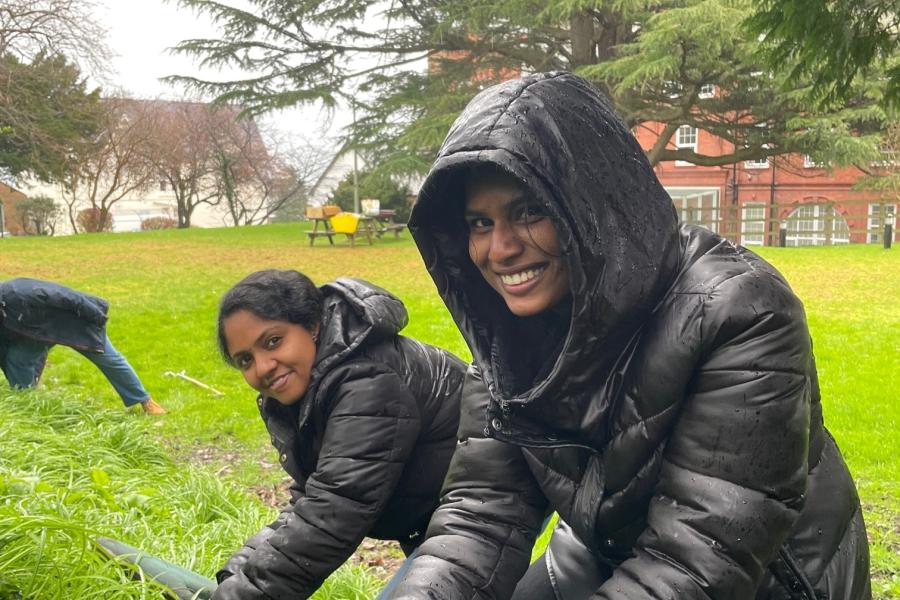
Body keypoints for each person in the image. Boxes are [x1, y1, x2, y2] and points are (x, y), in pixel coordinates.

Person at [385, 72, 871, 599]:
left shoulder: (740, 311)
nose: (499, 250)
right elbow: (482, 515)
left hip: (763, 572)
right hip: (603, 544)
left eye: (529, 212)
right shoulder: (509, 337)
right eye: (479, 223)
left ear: (591, 202)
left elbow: (699, 561)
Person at [212, 270, 466, 599]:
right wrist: (238, 571)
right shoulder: (309, 388)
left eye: (273, 341)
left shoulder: (367, 381)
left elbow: (335, 509)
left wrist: (242, 594)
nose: (262, 367)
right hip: (433, 515)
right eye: (245, 360)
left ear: (313, 325)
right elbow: (314, 495)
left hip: (488, 504)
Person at [0, 277, 165, 415]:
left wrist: (97, 315)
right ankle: (26, 405)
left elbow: (67, 296)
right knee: (18, 359)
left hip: (76, 323)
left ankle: (145, 401)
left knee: (108, 359)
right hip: (39, 331)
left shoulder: (17, 294)